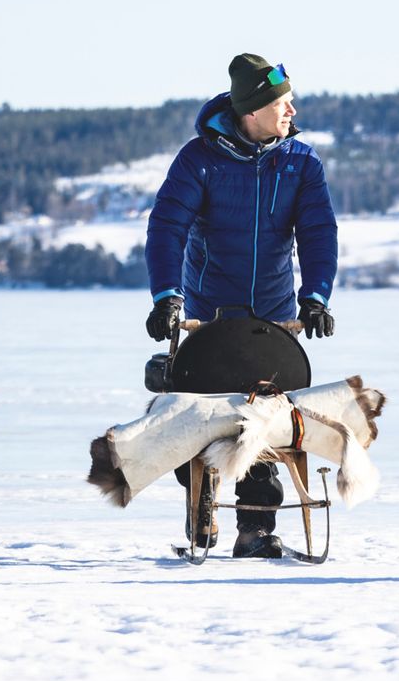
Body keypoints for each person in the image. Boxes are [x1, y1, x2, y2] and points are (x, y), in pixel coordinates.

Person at [144, 53, 339, 559]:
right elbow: (167, 227)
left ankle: (255, 530)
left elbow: (318, 232)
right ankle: (200, 504)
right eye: (282, 103)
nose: (292, 111)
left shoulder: (300, 161)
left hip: (273, 317)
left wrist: (315, 296)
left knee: (264, 421)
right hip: (208, 315)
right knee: (198, 420)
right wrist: (167, 296)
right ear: (251, 111)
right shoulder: (199, 159)